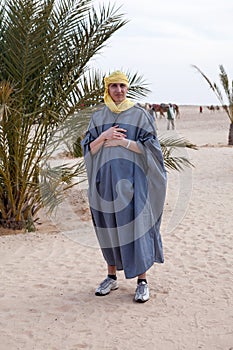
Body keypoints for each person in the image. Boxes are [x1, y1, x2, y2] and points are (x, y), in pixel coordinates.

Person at [81, 71, 167, 303]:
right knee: (109, 228)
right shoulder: (99, 117)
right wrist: (104, 136)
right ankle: (111, 277)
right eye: (113, 86)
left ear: (127, 88)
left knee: (137, 228)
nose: (118, 90)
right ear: (107, 89)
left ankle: (142, 281)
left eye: (122, 85)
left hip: (134, 183)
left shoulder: (140, 115)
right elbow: (89, 149)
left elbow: (152, 149)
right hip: (105, 184)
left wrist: (124, 143)